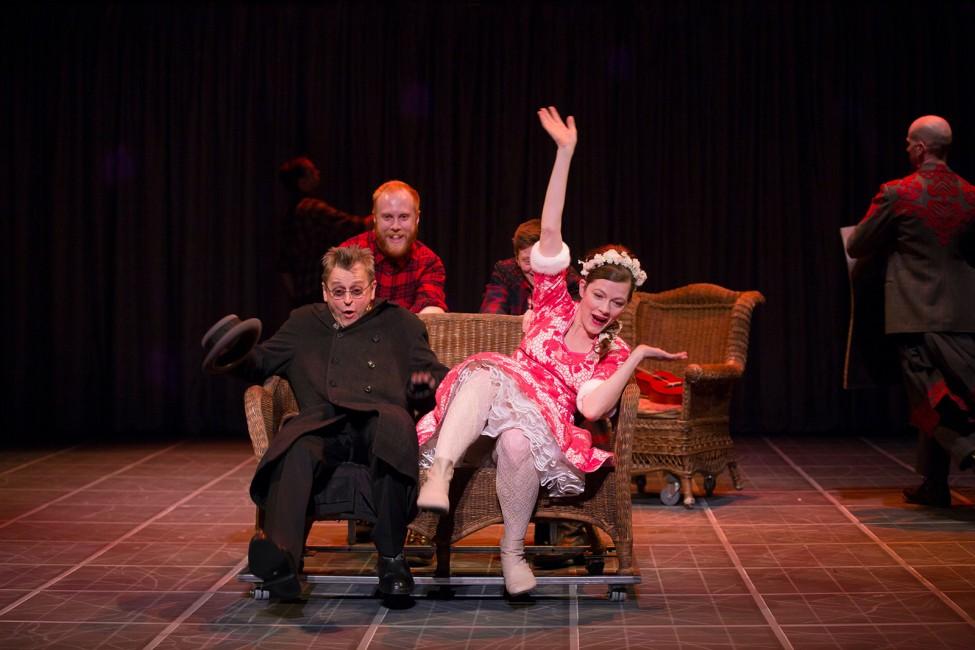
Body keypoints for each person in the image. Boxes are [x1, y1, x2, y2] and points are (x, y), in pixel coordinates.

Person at [415, 107, 687, 595]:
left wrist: (635, 354)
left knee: (519, 440)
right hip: (495, 400)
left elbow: (590, 406)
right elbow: (548, 233)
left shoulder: (610, 347)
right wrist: (564, 154)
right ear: (583, 287)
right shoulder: (551, 304)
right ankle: (440, 469)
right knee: (487, 370)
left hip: (545, 426)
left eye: (617, 303)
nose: (604, 308)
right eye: (599, 295)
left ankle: (512, 554)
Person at [233, 245, 448, 598]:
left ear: (373, 289)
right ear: (324, 292)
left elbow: (430, 375)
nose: (347, 302)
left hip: (379, 418)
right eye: (338, 292)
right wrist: (234, 352)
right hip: (324, 422)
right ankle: (282, 561)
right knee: (296, 445)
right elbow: (261, 361)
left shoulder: (401, 324)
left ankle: (393, 561)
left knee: (393, 435)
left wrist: (433, 384)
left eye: (356, 291)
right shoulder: (304, 323)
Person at [847, 115, 975, 507]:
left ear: (920, 148)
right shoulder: (970, 193)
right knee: (942, 394)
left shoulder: (898, 192)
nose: (905, 149)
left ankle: (969, 446)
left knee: (930, 398)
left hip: (913, 312)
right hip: (962, 312)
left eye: (908, 143)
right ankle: (934, 485)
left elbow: (859, 243)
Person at [276, 156, 371, 308]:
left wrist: (296, 297)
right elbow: (353, 226)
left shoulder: (289, 214)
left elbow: (283, 266)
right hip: (318, 290)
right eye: (312, 171)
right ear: (302, 182)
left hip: (301, 295)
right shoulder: (311, 208)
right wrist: (380, 217)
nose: (318, 173)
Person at [340, 180, 447, 313]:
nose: (395, 226)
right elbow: (340, 311)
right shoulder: (349, 253)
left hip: (408, 334)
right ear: (374, 218)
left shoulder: (429, 263)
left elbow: (431, 311)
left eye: (403, 217)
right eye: (387, 217)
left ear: (417, 219)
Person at [480, 218, 582, 314]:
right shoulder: (505, 272)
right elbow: (492, 313)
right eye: (528, 261)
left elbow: (579, 312)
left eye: (540, 260)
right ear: (517, 260)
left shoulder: (565, 275)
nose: (535, 269)